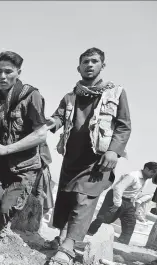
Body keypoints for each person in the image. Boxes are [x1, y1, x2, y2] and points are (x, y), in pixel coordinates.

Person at [46, 47, 131, 264]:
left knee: (84, 199)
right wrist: (49, 123)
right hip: (71, 158)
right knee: (66, 197)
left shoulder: (116, 93)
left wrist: (114, 150)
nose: (89, 65)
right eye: (85, 62)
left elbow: (123, 126)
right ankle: (62, 236)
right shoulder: (70, 96)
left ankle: (68, 248)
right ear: (79, 67)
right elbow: (57, 117)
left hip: (97, 160)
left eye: (94, 61)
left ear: (103, 65)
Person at [0, 51, 52, 248]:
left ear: (18, 72)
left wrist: (6, 149)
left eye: (8, 72)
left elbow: (41, 134)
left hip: (24, 167)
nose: (3, 77)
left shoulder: (31, 96)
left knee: (6, 208)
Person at [88, 162, 157, 244]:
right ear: (146, 169)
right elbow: (118, 188)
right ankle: (89, 234)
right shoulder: (133, 176)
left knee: (130, 222)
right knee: (103, 218)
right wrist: (117, 203)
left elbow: (136, 193)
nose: (154, 175)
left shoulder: (146, 180)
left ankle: (122, 243)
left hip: (129, 201)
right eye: (153, 172)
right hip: (115, 196)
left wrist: (134, 207)